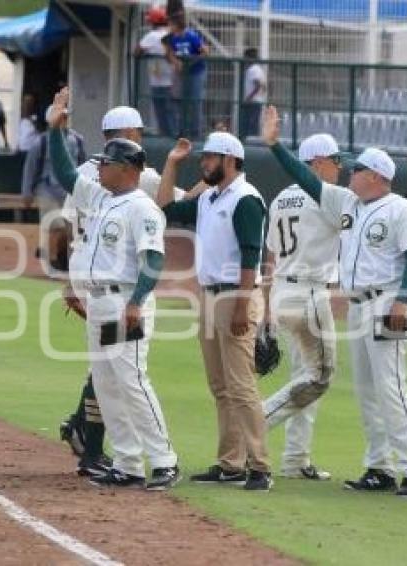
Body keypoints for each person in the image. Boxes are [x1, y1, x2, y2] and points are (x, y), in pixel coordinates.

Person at [263, 106, 407, 497]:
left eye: (356, 169)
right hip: (359, 306)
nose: (348, 172)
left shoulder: (402, 210)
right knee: (369, 392)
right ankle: (379, 467)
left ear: (376, 176)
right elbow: (305, 177)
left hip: (389, 302)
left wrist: (403, 301)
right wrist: (274, 146)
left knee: (392, 388)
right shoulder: (347, 203)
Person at [47, 88, 180, 490]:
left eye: (106, 163)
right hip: (99, 303)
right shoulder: (102, 196)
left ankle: (164, 460)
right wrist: (55, 130)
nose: (99, 168)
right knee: (106, 384)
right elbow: (66, 174)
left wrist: (137, 302)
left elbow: (153, 259)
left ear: (126, 168)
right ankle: (127, 462)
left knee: (132, 380)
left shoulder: (141, 207)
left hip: (125, 302)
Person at [157, 132, 273, 491]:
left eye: (210, 158)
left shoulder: (246, 199)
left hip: (235, 297)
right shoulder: (209, 197)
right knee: (221, 386)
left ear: (230, 160)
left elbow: (251, 255)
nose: (203, 163)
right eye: (203, 157)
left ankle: (260, 466)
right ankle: (231, 463)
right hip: (209, 295)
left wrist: (242, 304)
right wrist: (172, 163)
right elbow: (164, 209)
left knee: (241, 386)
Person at [262, 133, 344, 481]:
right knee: (319, 376)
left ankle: (296, 459)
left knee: (303, 379)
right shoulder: (325, 199)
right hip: (310, 294)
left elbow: (270, 255)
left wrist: (267, 306)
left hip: (283, 290)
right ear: (316, 164)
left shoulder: (282, 197)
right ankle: (255, 421)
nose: (340, 168)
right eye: (335, 160)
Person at [21, 105, 86, 220]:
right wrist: (27, 192)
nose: (64, 120)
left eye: (65, 117)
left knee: (72, 229)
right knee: (54, 226)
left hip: (71, 191)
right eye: (60, 117)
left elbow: (83, 165)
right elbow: (30, 168)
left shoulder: (77, 140)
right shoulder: (41, 142)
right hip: (47, 190)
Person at [164, 10, 209, 139]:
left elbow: (205, 51)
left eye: (171, 24)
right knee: (182, 102)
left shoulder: (191, 36)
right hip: (183, 74)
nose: (169, 27)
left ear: (177, 25)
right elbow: (170, 52)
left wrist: (192, 61)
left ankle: (196, 133)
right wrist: (176, 62)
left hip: (196, 72)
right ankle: (182, 131)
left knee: (195, 102)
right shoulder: (173, 38)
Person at [136, 7, 176, 138]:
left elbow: (137, 50)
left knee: (162, 112)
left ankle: (167, 136)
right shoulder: (171, 33)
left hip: (159, 82)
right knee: (171, 112)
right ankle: (172, 135)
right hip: (174, 80)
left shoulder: (153, 35)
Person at [239, 48, 267, 138]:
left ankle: (251, 142)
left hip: (253, 101)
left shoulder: (253, 69)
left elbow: (258, 85)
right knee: (252, 123)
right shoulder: (258, 69)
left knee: (251, 124)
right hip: (256, 100)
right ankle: (251, 140)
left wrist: (248, 98)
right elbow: (263, 86)